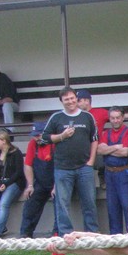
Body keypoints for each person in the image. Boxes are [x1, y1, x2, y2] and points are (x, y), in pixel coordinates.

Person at [42, 86, 99, 235]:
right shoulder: (56, 118)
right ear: (61, 101)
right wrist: (62, 136)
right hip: (62, 168)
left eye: (72, 98)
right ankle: (65, 235)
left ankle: (92, 235)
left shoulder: (87, 117)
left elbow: (94, 140)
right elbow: (45, 137)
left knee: (89, 203)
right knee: (62, 204)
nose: (70, 101)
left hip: (84, 167)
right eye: (66, 99)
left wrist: (91, 161)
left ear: (77, 98)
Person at [98, 107, 128, 234]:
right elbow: (99, 150)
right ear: (109, 119)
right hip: (109, 173)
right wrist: (116, 147)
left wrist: (108, 150)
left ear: (123, 117)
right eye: (112, 118)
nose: (115, 120)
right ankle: (116, 239)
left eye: (118, 117)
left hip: (125, 173)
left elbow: (125, 152)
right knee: (112, 207)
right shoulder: (106, 133)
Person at [20, 121, 57, 238]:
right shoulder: (32, 144)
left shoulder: (54, 144)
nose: (36, 138)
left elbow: (61, 167)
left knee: (59, 204)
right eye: (34, 136)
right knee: (31, 204)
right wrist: (30, 185)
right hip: (40, 182)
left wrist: (56, 186)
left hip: (56, 181)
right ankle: (25, 233)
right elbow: (28, 165)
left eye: (39, 135)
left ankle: (57, 233)